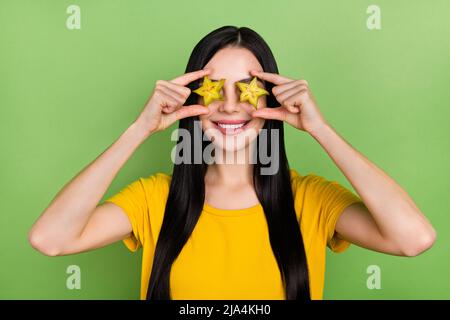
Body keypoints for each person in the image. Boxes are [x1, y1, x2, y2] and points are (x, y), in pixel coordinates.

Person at [28, 26, 436, 300]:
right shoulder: (155, 199)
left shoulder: (310, 199)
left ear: (273, 98)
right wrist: (139, 129)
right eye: (214, 90)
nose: (229, 105)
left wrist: (321, 129)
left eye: (247, 89)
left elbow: (414, 239)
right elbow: (51, 239)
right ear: (190, 99)